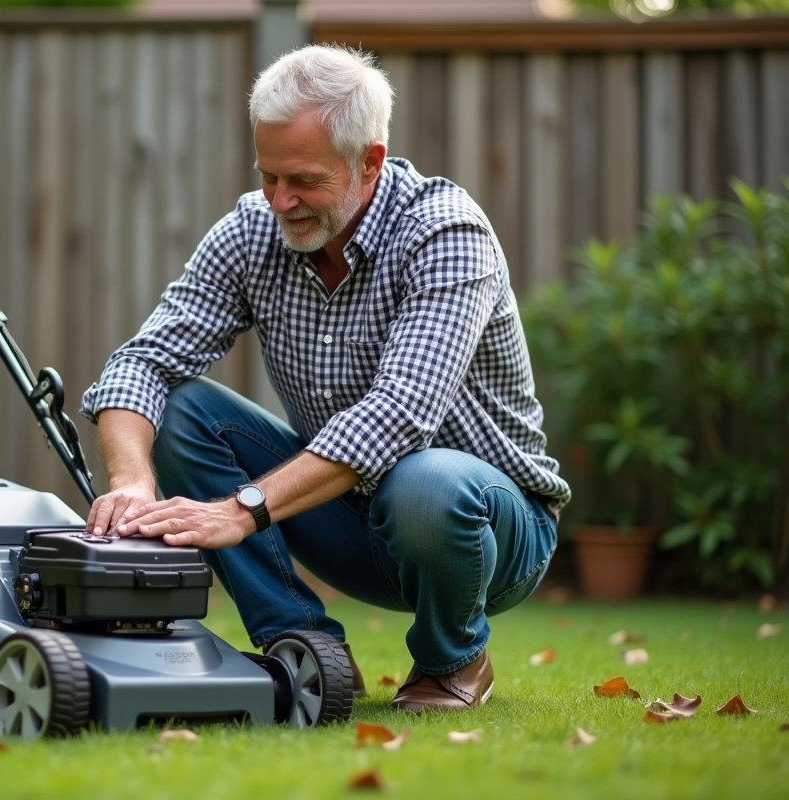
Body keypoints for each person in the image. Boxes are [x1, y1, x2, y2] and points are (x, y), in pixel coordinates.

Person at [80, 44, 569, 714]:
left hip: (485, 528)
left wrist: (240, 509)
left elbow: (398, 416)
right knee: (185, 407)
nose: (280, 201)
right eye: (268, 175)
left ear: (369, 161)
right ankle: (305, 648)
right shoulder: (252, 232)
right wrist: (132, 479)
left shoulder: (445, 231)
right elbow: (141, 363)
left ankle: (452, 659)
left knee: (423, 481)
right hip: (347, 517)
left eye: (304, 181)